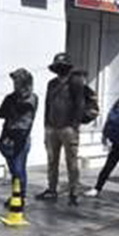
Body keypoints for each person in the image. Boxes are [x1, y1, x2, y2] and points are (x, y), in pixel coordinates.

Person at [37, 54, 98, 204]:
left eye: (62, 66)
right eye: (57, 66)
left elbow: (80, 104)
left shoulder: (75, 82)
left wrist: (74, 125)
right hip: (52, 127)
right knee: (52, 161)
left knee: (71, 162)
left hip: (68, 128)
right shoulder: (51, 84)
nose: (60, 69)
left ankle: (73, 192)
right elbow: (47, 104)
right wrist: (46, 124)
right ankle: (52, 189)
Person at [0, 68, 38, 202]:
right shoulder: (10, 98)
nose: (15, 85)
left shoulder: (32, 98)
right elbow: (0, 113)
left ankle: (20, 196)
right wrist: (11, 107)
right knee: (16, 170)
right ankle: (17, 195)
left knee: (18, 170)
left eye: (18, 82)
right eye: (14, 82)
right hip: (8, 137)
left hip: (22, 138)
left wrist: (13, 109)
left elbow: (25, 112)